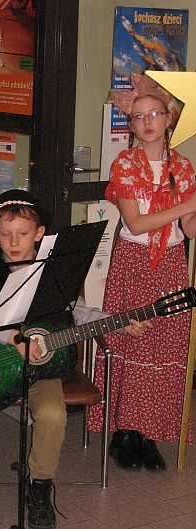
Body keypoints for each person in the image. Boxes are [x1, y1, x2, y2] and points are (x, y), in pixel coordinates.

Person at [0, 189, 148, 529]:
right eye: (5, 234)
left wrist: (118, 321)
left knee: (52, 414)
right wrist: (11, 338)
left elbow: (78, 314)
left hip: (42, 372)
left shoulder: (56, 275)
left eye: (22, 233)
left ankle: (40, 485)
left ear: (39, 233)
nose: (14, 242)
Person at [87, 73, 196, 472]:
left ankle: (148, 434)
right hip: (133, 263)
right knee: (131, 343)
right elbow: (135, 223)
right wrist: (186, 206)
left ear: (170, 119)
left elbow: (189, 230)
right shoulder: (126, 164)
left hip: (171, 264)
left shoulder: (182, 167)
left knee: (164, 347)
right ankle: (124, 433)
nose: (147, 122)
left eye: (155, 114)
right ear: (131, 125)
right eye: (138, 117)